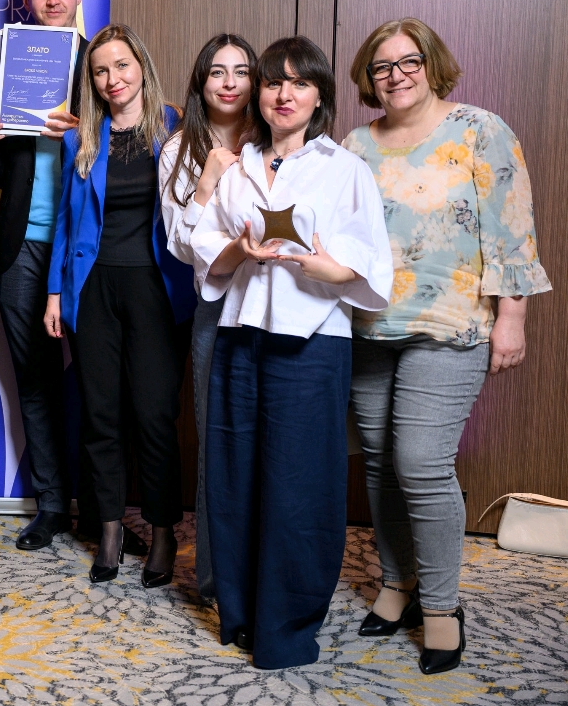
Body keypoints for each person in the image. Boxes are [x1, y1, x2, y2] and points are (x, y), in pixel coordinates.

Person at [342, 18, 551, 675]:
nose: (396, 75)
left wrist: (512, 315)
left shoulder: (480, 131)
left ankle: (441, 606)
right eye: (381, 67)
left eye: (408, 61)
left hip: (452, 324)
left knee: (421, 462)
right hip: (369, 327)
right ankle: (397, 583)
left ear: (431, 64)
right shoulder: (355, 145)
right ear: (368, 79)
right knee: (379, 463)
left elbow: (511, 228)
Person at [191, 36, 393, 669]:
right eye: (274, 82)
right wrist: (240, 252)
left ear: (319, 96)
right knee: (234, 478)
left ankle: (287, 629)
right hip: (240, 335)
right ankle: (241, 613)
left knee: (300, 485)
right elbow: (206, 250)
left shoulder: (344, 168)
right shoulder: (238, 165)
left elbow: (366, 263)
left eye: (299, 83)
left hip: (312, 342)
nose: (284, 94)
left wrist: (317, 265)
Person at [43, 24, 191, 586]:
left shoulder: (173, 128)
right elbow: (64, 221)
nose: (113, 79)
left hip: (156, 289)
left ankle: (162, 531)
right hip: (94, 288)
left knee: (154, 416)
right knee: (100, 415)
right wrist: (55, 292)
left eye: (122, 65)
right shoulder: (80, 140)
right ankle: (108, 529)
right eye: (101, 70)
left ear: (142, 68)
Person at [0, 0, 91, 551]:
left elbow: (131, 145)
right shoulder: (3, 65)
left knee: (96, 377)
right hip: (21, 241)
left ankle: (103, 509)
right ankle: (51, 504)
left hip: (85, 246)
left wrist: (85, 131)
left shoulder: (104, 63)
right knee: (36, 379)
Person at [159, 34, 259, 602]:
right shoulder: (179, 148)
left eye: (241, 71)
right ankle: (218, 579)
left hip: (282, 303)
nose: (229, 82)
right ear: (201, 81)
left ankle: (266, 570)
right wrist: (206, 182)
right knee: (216, 442)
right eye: (217, 71)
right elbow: (179, 244)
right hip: (216, 306)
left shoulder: (277, 137)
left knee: (271, 441)